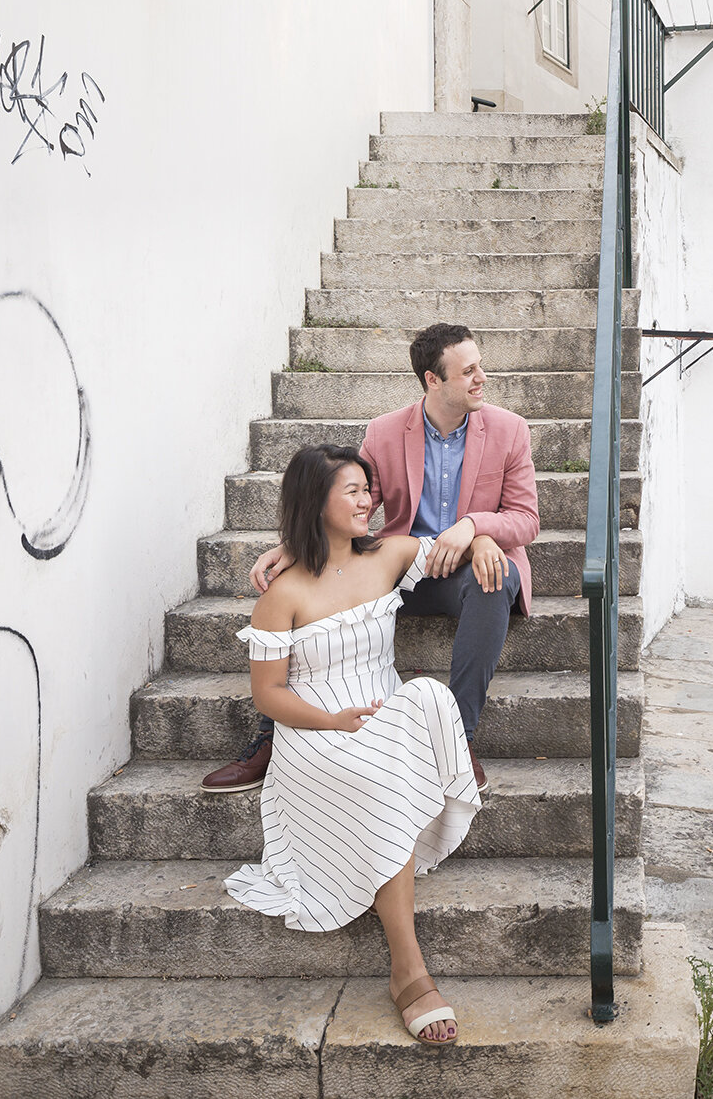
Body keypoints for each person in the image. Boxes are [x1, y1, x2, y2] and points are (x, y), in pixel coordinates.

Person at [201, 323, 539, 796]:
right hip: (400, 567)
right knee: (310, 585)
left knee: (495, 579)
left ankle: (455, 740)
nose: (482, 377)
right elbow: (353, 502)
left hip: (465, 569)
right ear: (432, 380)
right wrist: (295, 546)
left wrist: (476, 529)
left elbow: (525, 519)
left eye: (479, 366)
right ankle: (270, 737)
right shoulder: (385, 433)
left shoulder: (509, 430)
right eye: (469, 370)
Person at [225, 443, 476, 1043]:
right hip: (313, 729)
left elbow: (445, 543)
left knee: (432, 697)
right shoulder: (281, 595)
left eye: (369, 490)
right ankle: (408, 970)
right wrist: (332, 721)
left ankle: (402, 942)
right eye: (353, 492)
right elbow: (269, 695)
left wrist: (483, 538)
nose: (369, 501)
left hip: (380, 707)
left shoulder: (389, 554)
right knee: (371, 774)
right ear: (317, 502)